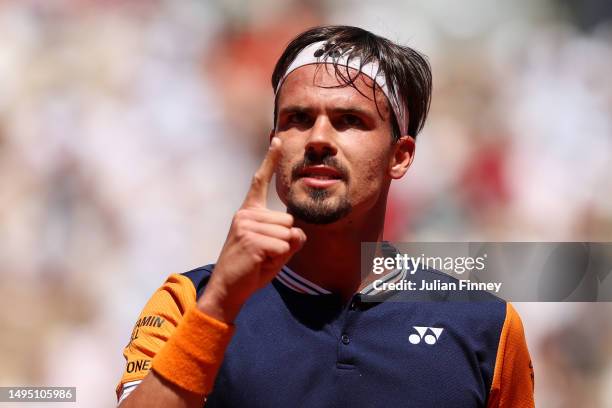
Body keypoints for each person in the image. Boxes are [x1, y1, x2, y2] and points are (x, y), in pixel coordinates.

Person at [116, 25, 535, 407]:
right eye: (298, 118)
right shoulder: (190, 300)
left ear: (400, 156)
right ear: (273, 142)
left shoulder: (486, 327)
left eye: (349, 120)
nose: (318, 139)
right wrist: (220, 308)